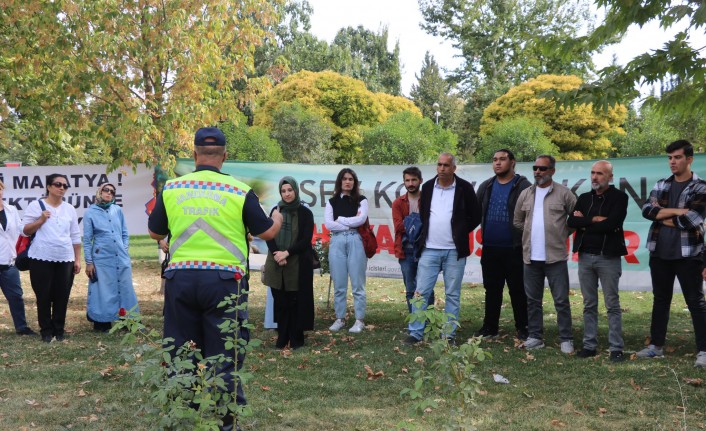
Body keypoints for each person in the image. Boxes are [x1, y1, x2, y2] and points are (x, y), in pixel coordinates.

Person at [148, 127, 282, 429]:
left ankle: (185, 415)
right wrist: (277, 218)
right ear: (224, 156)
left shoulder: (172, 188)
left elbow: (156, 232)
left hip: (181, 280)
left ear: (195, 155)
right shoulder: (238, 191)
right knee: (226, 353)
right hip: (224, 283)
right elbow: (267, 232)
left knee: (181, 350)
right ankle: (226, 422)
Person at [637, 140, 706, 368]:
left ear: (689, 159)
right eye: (669, 158)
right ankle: (656, 347)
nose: (672, 162)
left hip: (689, 255)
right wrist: (678, 211)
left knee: (695, 302)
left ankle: (703, 351)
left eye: (677, 157)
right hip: (659, 253)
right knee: (661, 301)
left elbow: (692, 219)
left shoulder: (701, 188)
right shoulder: (661, 184)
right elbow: (647, 210)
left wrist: (663, 215)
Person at [404, 152, 481, 344]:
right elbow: (424, 214)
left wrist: (460, 231)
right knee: (421, 292)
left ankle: (448, 335)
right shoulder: (428, 186)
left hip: (454, 251)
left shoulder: (464, 188)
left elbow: (476, 215)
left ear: (454, 168)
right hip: (429, 249)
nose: (442, 168)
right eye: (439, 164)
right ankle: (416, 333)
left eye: (446, 165)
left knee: (452, 294)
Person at [513, 155, 576, 353]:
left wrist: (562, 232)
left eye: (542, 168)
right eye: (535, 168)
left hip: (555, 257)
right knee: (532, 300)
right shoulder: (525, 194)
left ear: (552, 171)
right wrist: (530, 232)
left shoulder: (564, 194)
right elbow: (517, 220)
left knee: (561, 301)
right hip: (530, 257)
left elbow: (576, 218)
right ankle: (535, 337)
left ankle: (566, 338)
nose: (538, 172)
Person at [567, 160, 627, 362]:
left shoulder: (620, 197)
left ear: (610, 177)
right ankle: (589, 345)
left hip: (608, 257)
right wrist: (593, 219)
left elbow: (611, 225)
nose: (595, 177)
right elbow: (572, 222)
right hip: (585, 257)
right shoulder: (584, 198)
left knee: (612, 304)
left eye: (600, 173)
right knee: (589, 304)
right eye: (593, 173)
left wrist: (585, 221)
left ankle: (616, 348)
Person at [474, 149, 530, 340]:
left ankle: (523, 328)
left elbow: (530, 217)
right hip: (490, 248)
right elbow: (474, 214)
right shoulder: (487, 186)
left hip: (515, 248)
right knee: (492, 289)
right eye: (495, 159)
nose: (497, 163)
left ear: (512, 162)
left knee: (518, 290)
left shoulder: (523, 186)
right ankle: (490, 327)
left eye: (502, 159)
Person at [21, 174, 81, 343]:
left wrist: (77, 260)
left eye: (65, 185)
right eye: (57, 184)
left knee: (62, 296)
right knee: (43, 296)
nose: (62, 188)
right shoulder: (35, 206)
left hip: (65, 258)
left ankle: (59, 330)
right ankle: (46, 331)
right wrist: (40, 220)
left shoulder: (69, 208)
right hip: (41, 257)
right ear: (49, 187)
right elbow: (25, 230)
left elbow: (75, 237)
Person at [263, 177, 315, 349]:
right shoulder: (275, 211)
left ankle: (296, 338)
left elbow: (305, 240)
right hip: (276, 261)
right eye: (283, 191)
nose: (287, 194)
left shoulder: (305, 213)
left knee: (295, 301)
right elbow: (269, 234)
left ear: (296, 190)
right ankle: (282, 336)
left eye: (289, 190)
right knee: (280, 301)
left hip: (297, 262)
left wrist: (287, 253)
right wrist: (278, 254)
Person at [83, 183, 139, 332]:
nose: (109, 193)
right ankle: (102, 322)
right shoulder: (90, 212)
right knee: (103, 288)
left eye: (112, 192)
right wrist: (89, 262)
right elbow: (87, 240)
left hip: (120, 256)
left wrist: (124, 248)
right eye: (106, 190)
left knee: (125, 287)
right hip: (102, 257)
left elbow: (125, 233)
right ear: (99, 192)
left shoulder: (117, 210)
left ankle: (128, 322)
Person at [325, 168, 369, 334]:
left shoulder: (361, 200)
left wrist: (342, 220)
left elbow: (361, 220)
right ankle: (340, 318)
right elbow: (329, 224)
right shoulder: (332, 201)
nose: (348, 182)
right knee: (339, 283)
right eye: (344, 179)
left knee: (358, 283)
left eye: (351, 179)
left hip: (355, 240)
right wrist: (349, 223)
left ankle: (359, 320)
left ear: (354, 182)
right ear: (340, 181)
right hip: (336, 241)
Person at [392, 166, 433, 313]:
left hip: (426, 248)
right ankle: (415, 323)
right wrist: (418, 223)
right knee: (410, 289)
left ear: (420, 181)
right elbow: (398, 226)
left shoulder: (428, 200)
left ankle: (428, 323)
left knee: (427, 288)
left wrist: (410, 221)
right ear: (403, 182)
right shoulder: (398, 203)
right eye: (407, 180)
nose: (410, 183)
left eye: (414, 180)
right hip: (406, 250)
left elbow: (430, 224)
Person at [0, 180, 36, 336]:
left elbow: (22, 230)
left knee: (16, 296)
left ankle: (21, 327)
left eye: (0, 188)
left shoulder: (11, 209)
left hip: (9, 262)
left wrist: (36, 224)